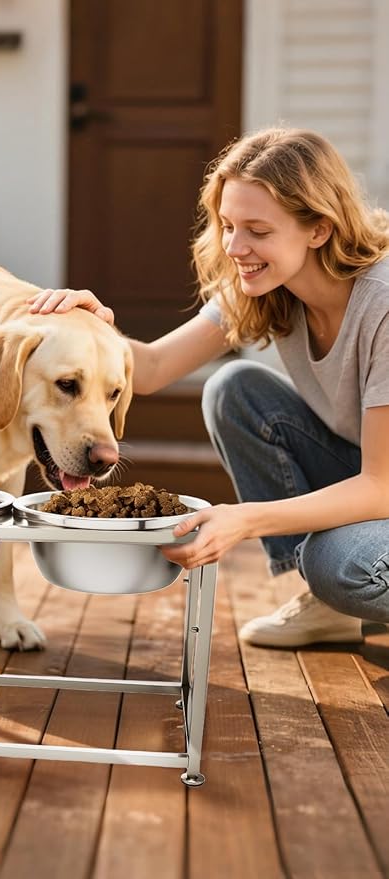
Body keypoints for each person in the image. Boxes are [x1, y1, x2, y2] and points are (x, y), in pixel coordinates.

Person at [28, 127, 389, 648]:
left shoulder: (381, 304)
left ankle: (334, 591)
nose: (236, 247)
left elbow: (380, 486)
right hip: (369, 479)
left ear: (318, 229)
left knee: (342, 566)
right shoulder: (266, 286)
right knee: (235, 388)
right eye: (227, 225)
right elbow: (150, 369)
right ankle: (330, 609)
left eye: (258, 231)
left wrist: (243, 520)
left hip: (380, 485)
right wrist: (90, 327)